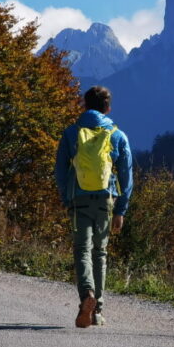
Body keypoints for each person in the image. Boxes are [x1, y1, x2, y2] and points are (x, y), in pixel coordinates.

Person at [55, 85, 133, 328]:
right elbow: (126, 176)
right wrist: (121, 209)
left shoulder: (71, 133)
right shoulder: (117, 135)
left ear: (84, 105)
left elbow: (59, 170)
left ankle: (86, 294)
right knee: (100, 252)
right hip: (105, 199)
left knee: (82, 250)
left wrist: (66, 197)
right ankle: (97, 310)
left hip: (79, 199)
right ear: (108, 108)